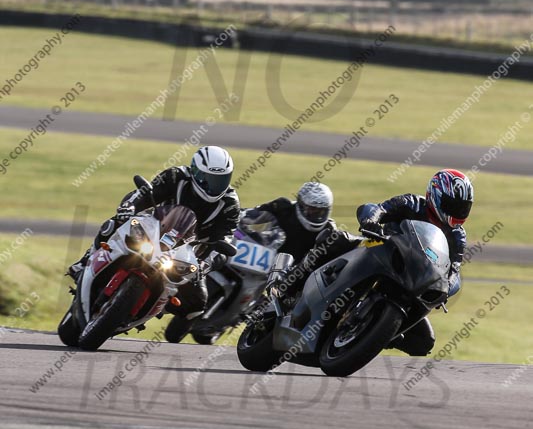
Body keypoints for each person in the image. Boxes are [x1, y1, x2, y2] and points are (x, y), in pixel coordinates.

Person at [280, 169, 474, 357]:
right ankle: (290, 284)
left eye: (463, 207)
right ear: (435, 195)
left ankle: (373, 335)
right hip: (380, 249)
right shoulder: (413, 203)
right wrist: (371, 221)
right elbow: (379, 209)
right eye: (453, 205)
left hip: (411, 278)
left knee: (424, 342)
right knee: (335, 239)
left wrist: (446, 287)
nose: (458, 211)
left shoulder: (457, 235)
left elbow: (454, 267)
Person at [68, 146, 239, 321]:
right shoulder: (176, 175)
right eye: (208, 179)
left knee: (196, 305)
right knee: (113, 224)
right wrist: (129, 207)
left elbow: (226, 238)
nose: (214, 186)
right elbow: (145, 193)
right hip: (154, 227)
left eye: (221, 180)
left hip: (188, 250)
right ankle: (85, 261)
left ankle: (155, 306)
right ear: (195, 172)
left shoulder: (230, 204)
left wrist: (205, 264)